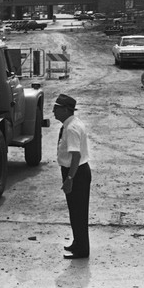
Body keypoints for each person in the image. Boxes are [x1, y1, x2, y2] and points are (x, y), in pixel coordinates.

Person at [53, 93, 91, 259]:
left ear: (66, 110)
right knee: (75, 211)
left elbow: (75, 156)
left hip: (76, 173)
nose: (54, 111)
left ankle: (82, 250)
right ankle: (78, 242)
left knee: (79, 212)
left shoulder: (71, 128)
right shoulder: (70, 124)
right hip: (75, 171)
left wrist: (69, 179)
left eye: (57, 108)